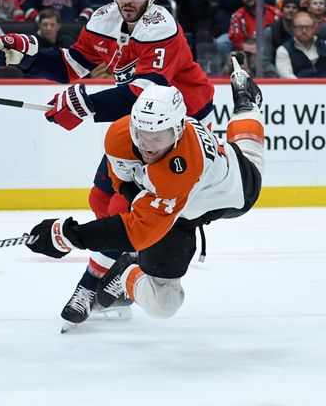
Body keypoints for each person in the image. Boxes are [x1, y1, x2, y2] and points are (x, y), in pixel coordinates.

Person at [0, 0, 215, 327]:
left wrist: (83, 106)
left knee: (125, 208)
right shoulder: (103, 19)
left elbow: (147, 91)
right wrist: (27, 57)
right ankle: (117, 278)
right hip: (141, 126)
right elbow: (74, 64)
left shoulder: (162, 28)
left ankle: (91, 283)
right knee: (101, 198)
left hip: (182, 130)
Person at [25, 71, 264, 330]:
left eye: (159, 137)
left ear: (178, 131)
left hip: (229, 193)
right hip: (173, 212)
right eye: (141, 134)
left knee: (249, 151)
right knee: (164, 303)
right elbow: (122, 181)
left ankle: (245, 103)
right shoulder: (120, 135)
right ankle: (126, 273)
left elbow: (137, 230)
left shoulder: (180, 168)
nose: (148, 145)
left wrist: (70, 235)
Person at [275, 11, 326, 78]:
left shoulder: (324, 45)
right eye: (300, 27)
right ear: (293, 29)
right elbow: (286, 75)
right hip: (297, 87)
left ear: (314, 28)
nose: (304, 31)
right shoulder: (283, 50)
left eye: (308, 27)